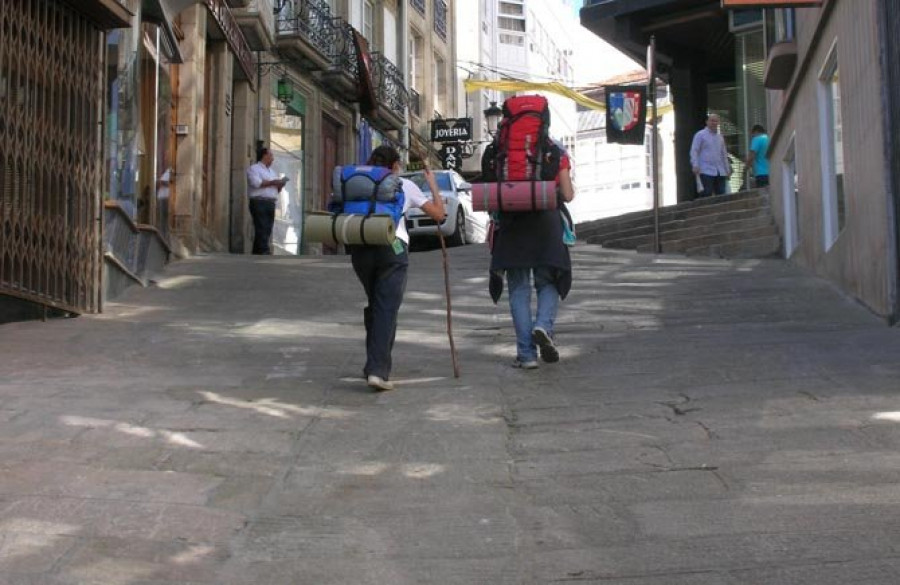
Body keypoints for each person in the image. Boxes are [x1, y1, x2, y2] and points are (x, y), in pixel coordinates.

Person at [348, 145, 446, 392]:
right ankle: (377, 371)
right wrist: (432, 183)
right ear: (394, 166)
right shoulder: (403, 184)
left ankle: (372, 364)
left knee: (376, 303)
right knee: (386, 309)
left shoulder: (358, 184)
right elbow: (439, 214)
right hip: (393, 249)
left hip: (360, 248)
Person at [489, 146, 576, 370]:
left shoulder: (502, 148)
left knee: (518, 290)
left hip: (513, 225)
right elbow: (567, 195)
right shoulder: (555, 151)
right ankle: (543, 326)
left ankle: (526, 355)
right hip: (547, 224)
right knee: (548, 282)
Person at [246, 147, 287, 255]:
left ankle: (257, 252)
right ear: (264, 156)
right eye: (271, 156)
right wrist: (273, 182)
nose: (272, 159)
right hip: (259, 201)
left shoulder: (272, 172)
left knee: (267, 228)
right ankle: (264, 251)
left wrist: (280, 185)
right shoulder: (254, 169)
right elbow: (256, 183)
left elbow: (274, 189)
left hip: (270, 202)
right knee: (261, 226)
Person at [690, 114, 731, 198]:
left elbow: (723, 154)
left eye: (716, 121)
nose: (714, 123)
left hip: (720, 171)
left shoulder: (720, 138)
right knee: (706, 195)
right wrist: (695, 165)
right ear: (707, 122)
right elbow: (694, 151)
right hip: (705, 170)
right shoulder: (700, 135)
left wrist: (727, 169)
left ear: (718, 123)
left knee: (722, 196)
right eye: (712, 120)